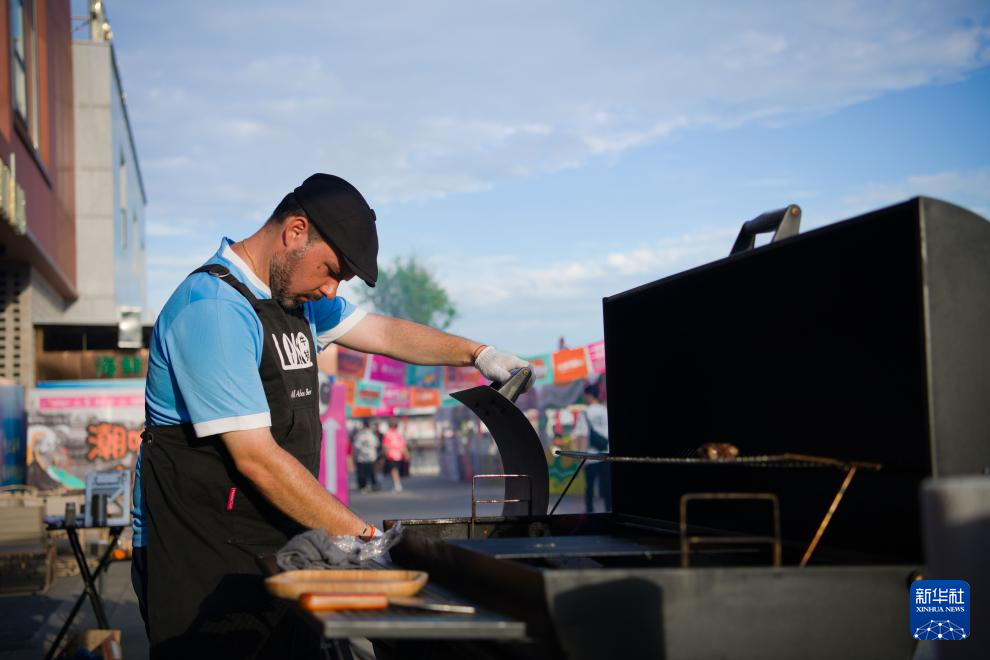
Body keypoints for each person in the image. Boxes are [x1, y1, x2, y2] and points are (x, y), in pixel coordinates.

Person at [132, 173, 528, 658]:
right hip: (201, 557)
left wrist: (478, 353)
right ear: (295, 231)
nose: (329, 289)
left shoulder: (295, 301)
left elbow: (384, 333)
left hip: (278, 542)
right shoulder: (213, 310)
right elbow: (258, 460)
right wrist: (368, 542)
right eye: (330, 271)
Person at [572, 380, 611, 513]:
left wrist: (582, 457)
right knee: (607, 486)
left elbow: (583, 435)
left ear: (589, 395)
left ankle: (590, 511)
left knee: (589, 487)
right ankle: (609, 510)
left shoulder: (586, 413)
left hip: (591, 456)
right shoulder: (605, 410)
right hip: (606, 454)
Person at [351, 421, 379, 492]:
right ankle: (373, 485)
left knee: (363, 473)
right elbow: (376, 445)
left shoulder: (360, 435)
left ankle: (364, 486)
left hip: (362, 457)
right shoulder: (372, 435)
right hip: (370, 457)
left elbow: (356, 446)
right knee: (370, 472)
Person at [381, 421, 409, 491]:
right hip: (399, 455)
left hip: (391, 455)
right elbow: (403, 446)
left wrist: (384, 456)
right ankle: (397, 484)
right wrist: (406, 454)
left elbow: (385, 446)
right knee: (396, 470)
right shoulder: (399, 434)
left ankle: (397, 485)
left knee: (393, 470)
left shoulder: (387, 434)